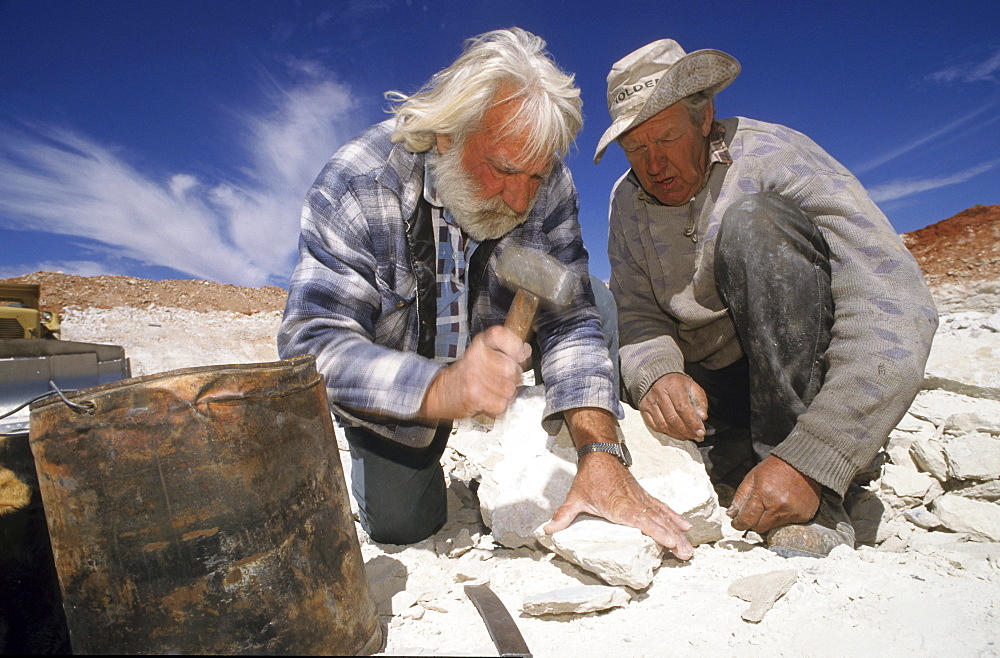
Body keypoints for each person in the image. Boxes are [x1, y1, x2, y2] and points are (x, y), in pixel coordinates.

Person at [278, 29, 696, 559]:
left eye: (536, 175)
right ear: (448, 135)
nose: (521, 198)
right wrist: (441, 389)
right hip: (402, 390)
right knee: (403, 525)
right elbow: (310, 345)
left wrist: (600, 450)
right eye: (502, 169)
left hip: (495, 357)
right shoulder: (360, 182)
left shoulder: (547, 184)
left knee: (593, 298)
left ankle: (570, 449)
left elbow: (571, 321)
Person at [594, 39, 938, 558]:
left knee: (755, 226)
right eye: (635, 148)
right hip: (716, 385)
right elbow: (637, 311)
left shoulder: (775, 154)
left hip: (802, 370)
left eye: (666, 137)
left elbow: (893, 303)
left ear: (705, 115)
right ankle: (740, 455)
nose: (654, 163)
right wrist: (656, 374)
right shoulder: (626, 199)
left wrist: (813, 457)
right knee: (592, 310)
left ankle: (815, 495)